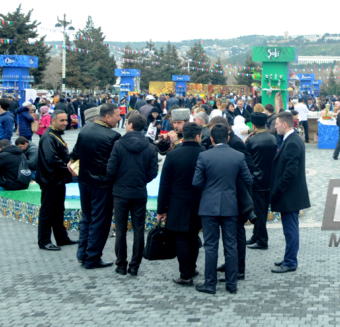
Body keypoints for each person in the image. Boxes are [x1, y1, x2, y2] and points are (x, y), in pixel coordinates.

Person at [193, 124, 253, 294]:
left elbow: (196, 182)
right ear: (227, 138)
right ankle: (232, 283)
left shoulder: (204, 156)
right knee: (231, 244)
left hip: (208, 205)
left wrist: (210, 190)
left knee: (210, 245)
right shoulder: (238, 156)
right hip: (230, 205)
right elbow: (248, 180)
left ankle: (210, 283)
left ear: (211, 139)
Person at [106, 111, 158, 276]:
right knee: (139, 229)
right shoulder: (150, 146)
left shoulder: (119, 145)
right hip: (139, 191)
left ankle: (121, 264)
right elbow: (153, 171)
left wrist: (117, 181)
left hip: (121, 192)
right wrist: (142, 180)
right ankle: (135, 265)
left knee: (120, 230)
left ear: (130, 125)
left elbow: (111, 170)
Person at [70, 103, 121, 269]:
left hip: (84, 181)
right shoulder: (112, 136)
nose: (119, 119)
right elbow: (115, 164)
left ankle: (82, 254)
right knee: (100, 221)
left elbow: (74, 155)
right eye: (117, 116)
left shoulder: (85, 130)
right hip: (102, 184)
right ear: (107, 117)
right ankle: (92, 257)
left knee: (87, 218)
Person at [157, 122, 205, 285]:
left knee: (181, 238)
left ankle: (185, 274)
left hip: (177, 203)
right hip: (199, 202)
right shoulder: (204, 153)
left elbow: (164, 184)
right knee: (193, 236)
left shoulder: (173, 155)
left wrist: (161, 209)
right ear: (198, 136)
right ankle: (191, 267)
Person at [271, 112, 310, 273]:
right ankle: (289, 257)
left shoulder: (292, 142)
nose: (275, 126)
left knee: (290, 229)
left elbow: (290, 171)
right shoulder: (291, 139)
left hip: (289, 194)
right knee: (289, 228)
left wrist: (279, 189)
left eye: (277, 124)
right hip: (290, 194)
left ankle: (290, 261)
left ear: (284, 124)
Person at [36, 110, 76, 251]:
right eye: (62, 121)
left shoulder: (55, 135)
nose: (65, 123)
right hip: (50, 180)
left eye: (66, 120)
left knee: (58, 210)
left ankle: (61, 238)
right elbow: (52, 159)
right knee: (48, 211)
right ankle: (44, 240)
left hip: (57, 180)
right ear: (53, 121)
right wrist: (70, 169)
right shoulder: (48, 137)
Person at [245, 112, 278, 250]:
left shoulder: (251, 141)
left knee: (259, 212)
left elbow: (246, 160)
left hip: (256, 181)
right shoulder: (273, 139)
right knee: (263, 210)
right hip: (269, 180)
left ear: (253, 125)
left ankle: (262, 240)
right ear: (265, 124)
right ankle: (256, 235)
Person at [0, 98, 15, 165]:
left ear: (0, 106)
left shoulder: (7, 118)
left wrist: (3, 146)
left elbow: (8, 133)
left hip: (0, 146)